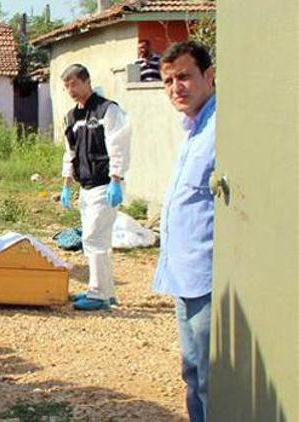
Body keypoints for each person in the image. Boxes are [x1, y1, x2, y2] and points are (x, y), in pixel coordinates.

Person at [153, 41, 215, 422]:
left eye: (185, 77)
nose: (176, 87)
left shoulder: (222, 127)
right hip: (184, 275)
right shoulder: (193, 127)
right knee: (192, 372)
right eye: (168, 80)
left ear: (209, 76)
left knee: (212, 378)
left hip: (209, 277)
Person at [59, 64, 131, 311]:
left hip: (104, 185)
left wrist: (116, 180)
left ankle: (98, 294)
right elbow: (70, 153)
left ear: (87, 81)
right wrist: (67, 184)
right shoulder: (72, 117)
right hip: (86, 187)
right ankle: (105, 291)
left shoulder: (107, 110)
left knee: (93, 238)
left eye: (74, 84)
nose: (71, 90)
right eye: (67, 86)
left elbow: (118, 146)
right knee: (97, 241)